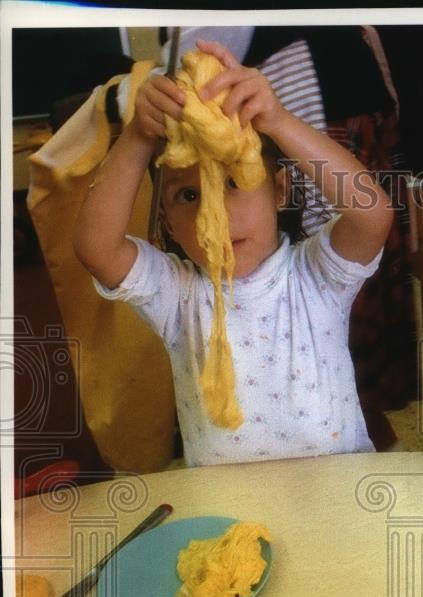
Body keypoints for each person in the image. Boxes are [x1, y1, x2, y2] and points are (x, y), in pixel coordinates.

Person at [74, 39, 394, 467]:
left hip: (333, 484)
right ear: (167, 222)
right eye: (189, 194)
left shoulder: (316, 276)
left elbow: (373, 214)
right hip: (226, 503)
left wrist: (279, 122)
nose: (216, 212)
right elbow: (95, 247)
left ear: (279, 190)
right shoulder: (177, 294)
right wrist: (136, 138)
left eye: (235, 182)